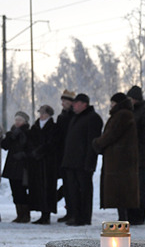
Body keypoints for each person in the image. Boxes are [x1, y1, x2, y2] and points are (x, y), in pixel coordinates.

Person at [92, 92, 139, 221]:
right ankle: (124, 217)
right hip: (120, 159)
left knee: (121, 191)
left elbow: (111, 134)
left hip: (120, 160)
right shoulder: (123, 115)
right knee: (122, 191)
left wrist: (97, 143)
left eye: (112, 103)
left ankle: (124, 218)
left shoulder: (122, 115)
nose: (111, 105)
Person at [60, 93, 103, 226]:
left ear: (84, 104)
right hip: (72, 162)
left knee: (84, 191)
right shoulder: (76, 118)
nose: (73, 105)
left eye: (76, 103)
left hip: (83, 163)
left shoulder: (93, 118)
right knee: (73, 191)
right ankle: (75, 215)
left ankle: (83, 217)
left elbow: (92, 143)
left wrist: (89, 162)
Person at [27, 104, 61, 224]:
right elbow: (30, 141)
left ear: (49, 114)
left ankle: (46, 214)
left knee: (48, 188)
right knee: (38, 188)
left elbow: (53, 143)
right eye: (40, 113)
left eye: (44, 113)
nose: (41, 115)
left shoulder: (53, 127)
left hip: (48, 163)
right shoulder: (35, 127)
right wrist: (33, 152)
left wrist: (40, 151)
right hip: (36, 163)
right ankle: (41, 212)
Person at [125, 85, 145, 226]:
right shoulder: (132, 111)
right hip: (132, 156)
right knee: (133, 186)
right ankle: (131, 214)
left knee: (140, 187)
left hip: (140, 156)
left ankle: (139, 215)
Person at [1, 111, 31, 223]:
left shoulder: (28, 132)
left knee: (21, 190)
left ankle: (25, 214)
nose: (17, 122)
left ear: (25, 121)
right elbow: (4, 145)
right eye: (16, 120)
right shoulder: (12, 133)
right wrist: (10, 137)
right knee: (15, 190)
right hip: (12, 165)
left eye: (20, 120)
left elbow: (29, 147)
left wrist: (23, 154)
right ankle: (19, 214)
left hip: (22, 166)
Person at [56, 89, 75, 222]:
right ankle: (69, 211)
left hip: (71, 154)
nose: (63, 103)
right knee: (67, 184)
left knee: (71, 185)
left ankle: (73, 211)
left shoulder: (73, 117)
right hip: (62, 154)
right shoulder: (62, 117)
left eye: (65, 101)